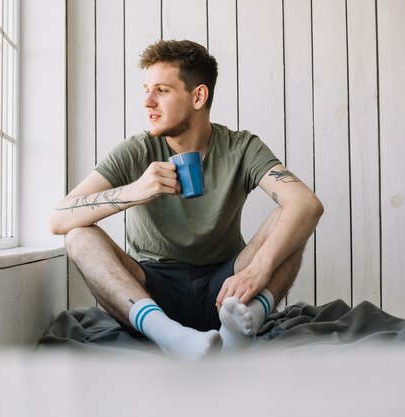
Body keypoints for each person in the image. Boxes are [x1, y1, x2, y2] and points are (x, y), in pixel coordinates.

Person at [48, 39, 323, 360]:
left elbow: (307, 204)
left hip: (227, 289)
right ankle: (170, 336)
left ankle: (245, 328)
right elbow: (58, 220)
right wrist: (133, 192)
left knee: (289, 218)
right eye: (146, 90)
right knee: (80, 236)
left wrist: (258, 271)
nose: (147, 102)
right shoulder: (136, 150)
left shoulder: (241, 147)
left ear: (198, 96)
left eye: (161, 90)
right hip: (153, 289)